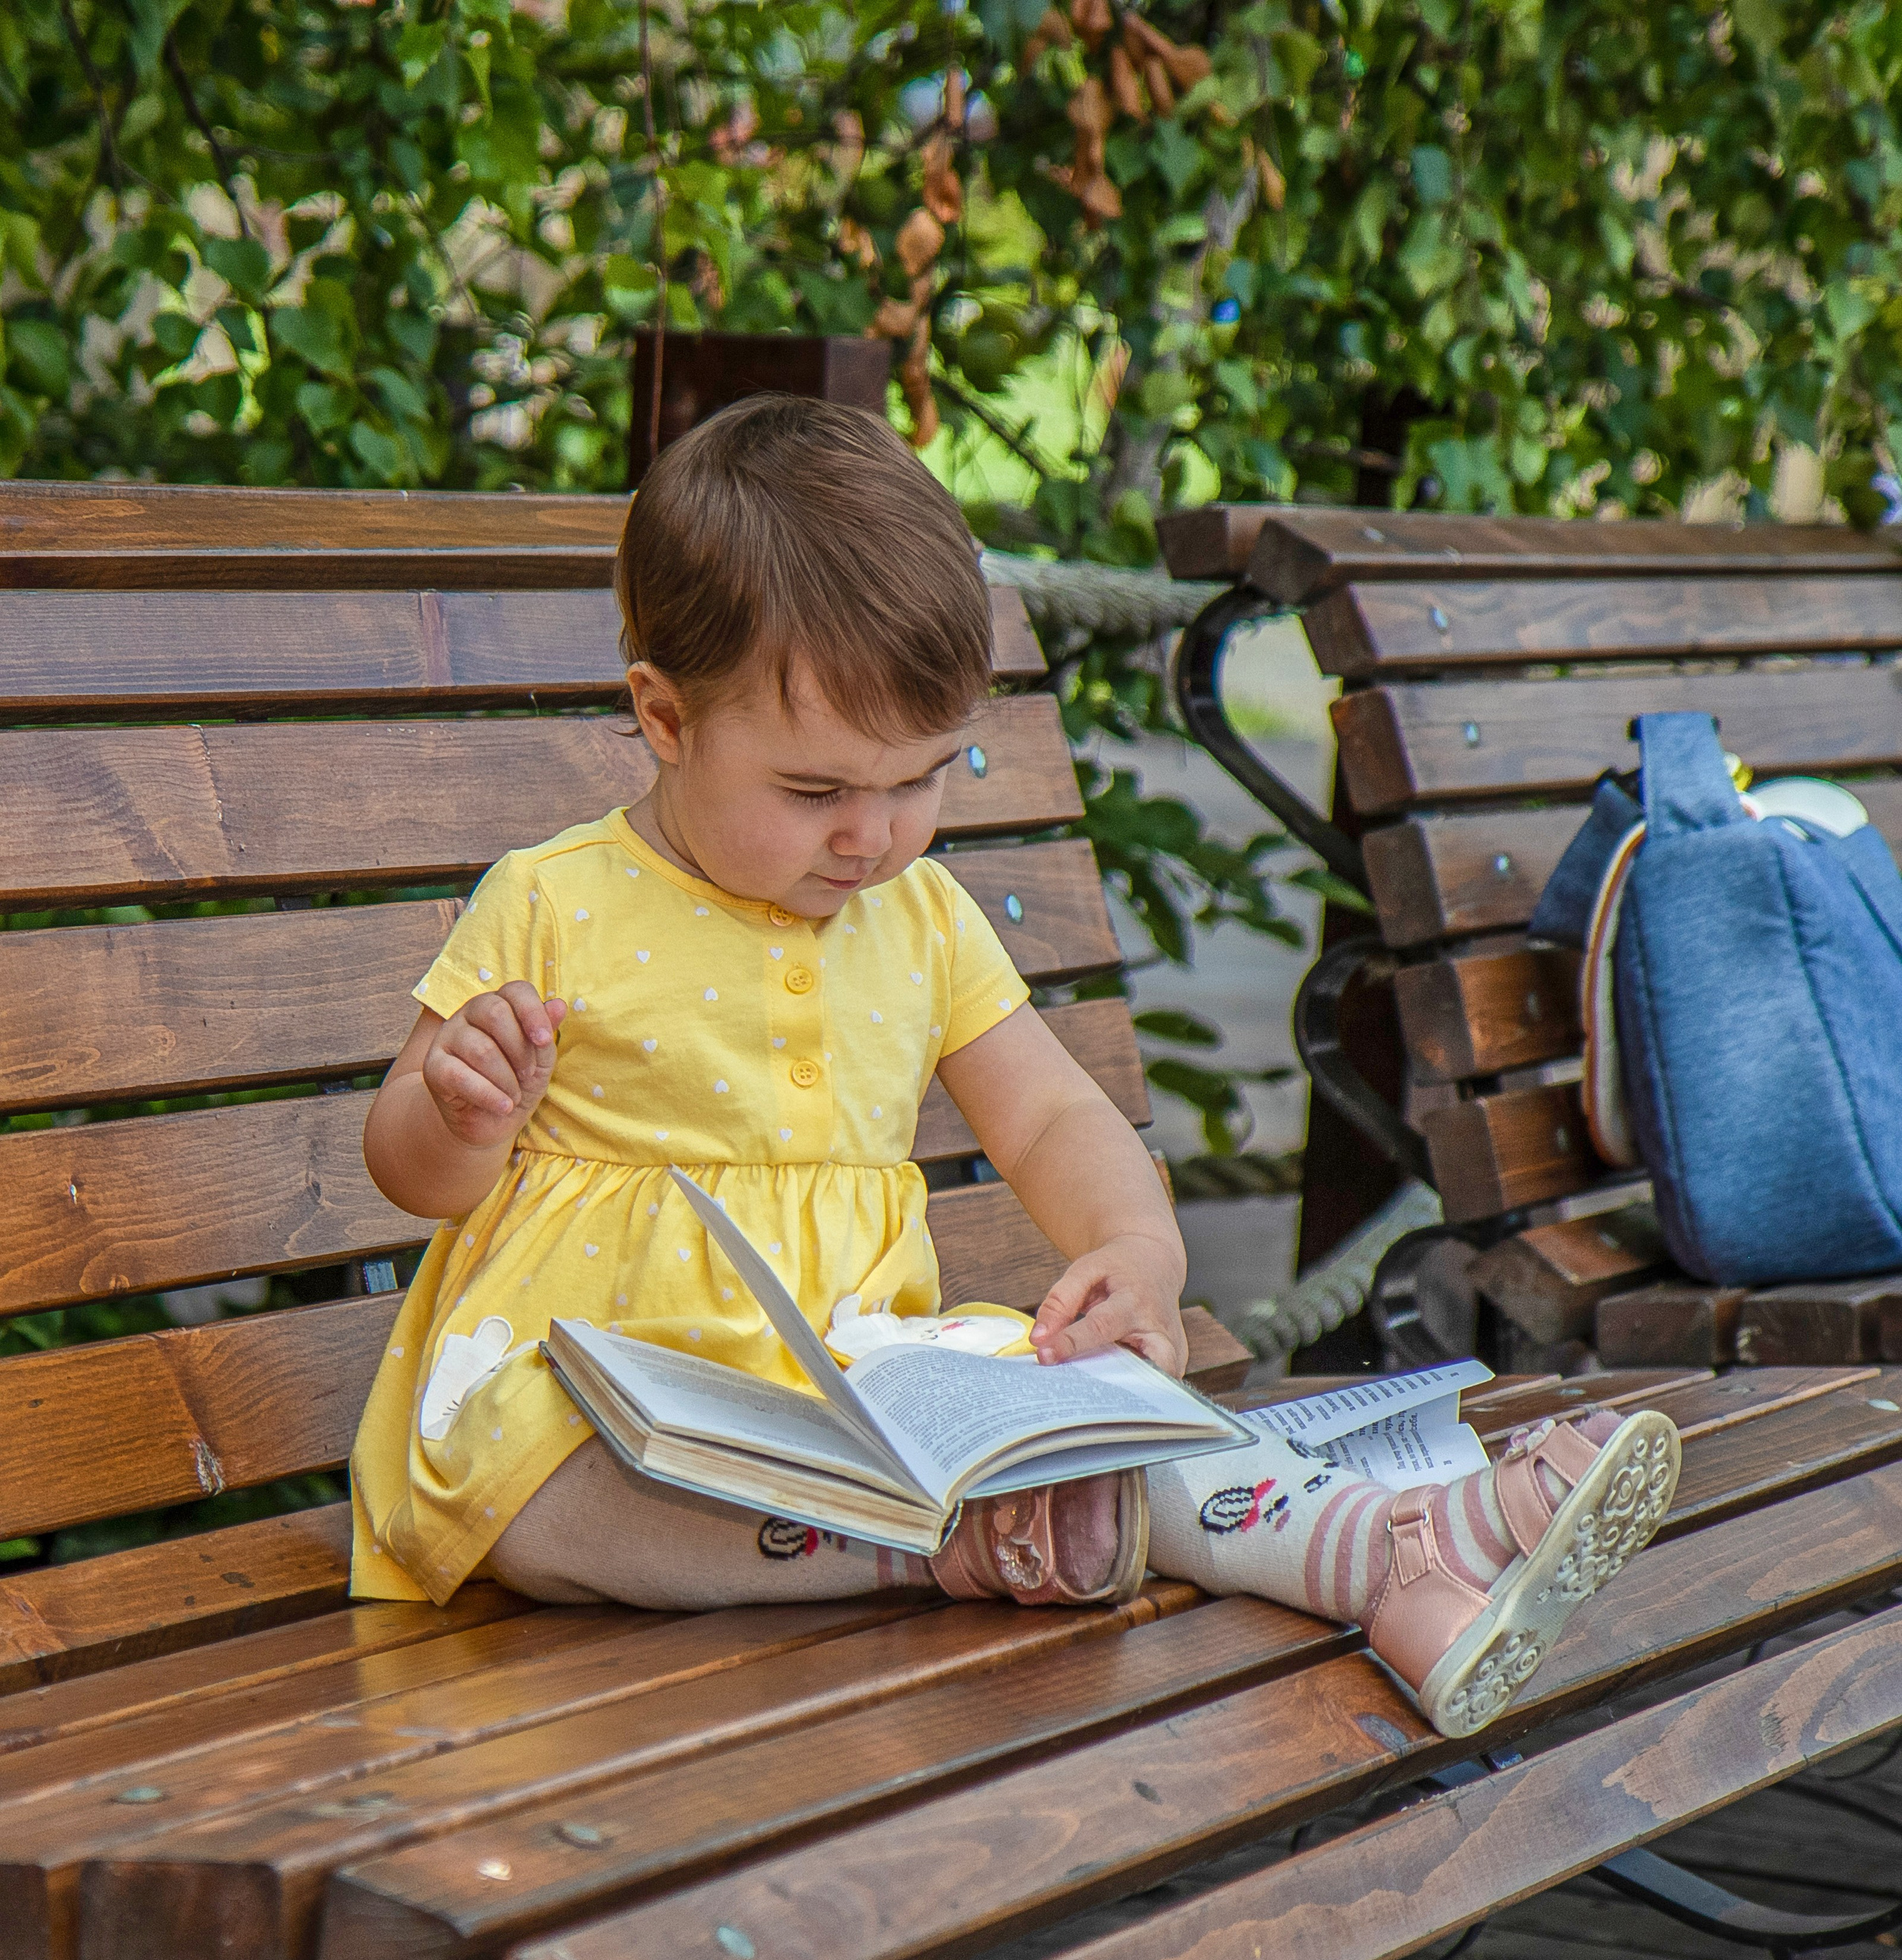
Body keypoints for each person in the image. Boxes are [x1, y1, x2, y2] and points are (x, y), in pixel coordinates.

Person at [349, 394, 1679, 1739]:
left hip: (861, 1386)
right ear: (665, 717)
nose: (873, 836)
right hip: (604, 1396)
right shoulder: (553, 902)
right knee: (540, 1498)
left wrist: (1134, 1246)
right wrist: (463, 1108)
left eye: (921, 780)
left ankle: (1396, 1549)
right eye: (816, 793)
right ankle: (955, 1544)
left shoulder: (920, 921)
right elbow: (409, 1169)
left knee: (1106, 1418)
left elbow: (1046, 1113)